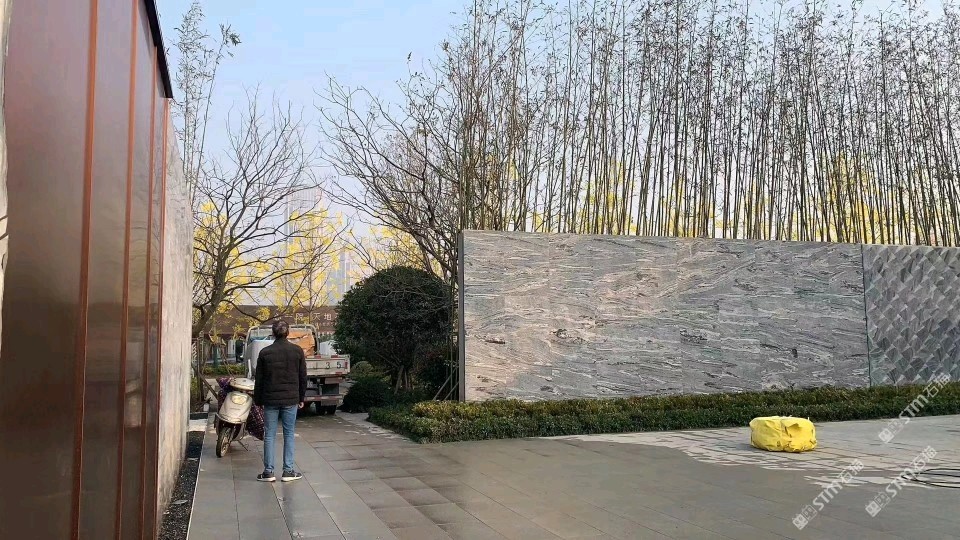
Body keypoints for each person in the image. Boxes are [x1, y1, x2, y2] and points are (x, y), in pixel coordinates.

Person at [253, 319, 306, 482]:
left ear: (273, 333)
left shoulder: (265, 353)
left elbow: (259, 379)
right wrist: (301, 397)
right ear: (288, 333)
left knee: (269, 434)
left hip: (270, 399)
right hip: (291, 398)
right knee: (289, 433)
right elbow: (302, 376)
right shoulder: (297, 351)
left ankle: (268, 472)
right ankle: (288, 471)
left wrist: (258, 399)